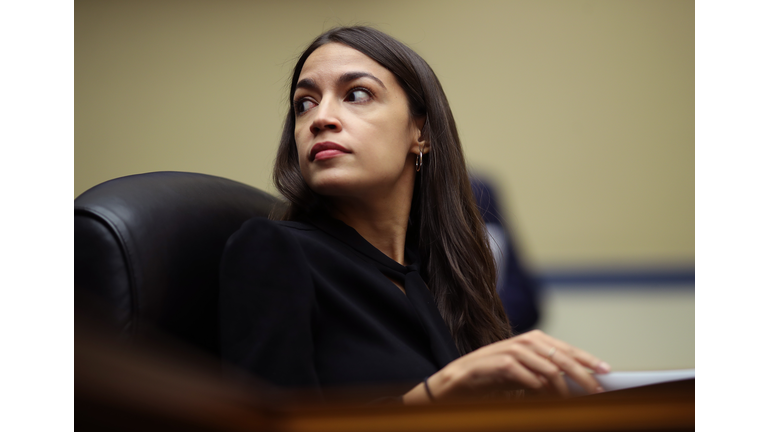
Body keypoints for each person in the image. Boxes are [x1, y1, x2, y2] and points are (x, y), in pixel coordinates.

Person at [220, 26, 610, 404]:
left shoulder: (442, 275)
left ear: (419, 132)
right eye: (304, 104)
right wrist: (435, 394)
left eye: (356, 94)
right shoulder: (272, 251)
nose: (320, 118)